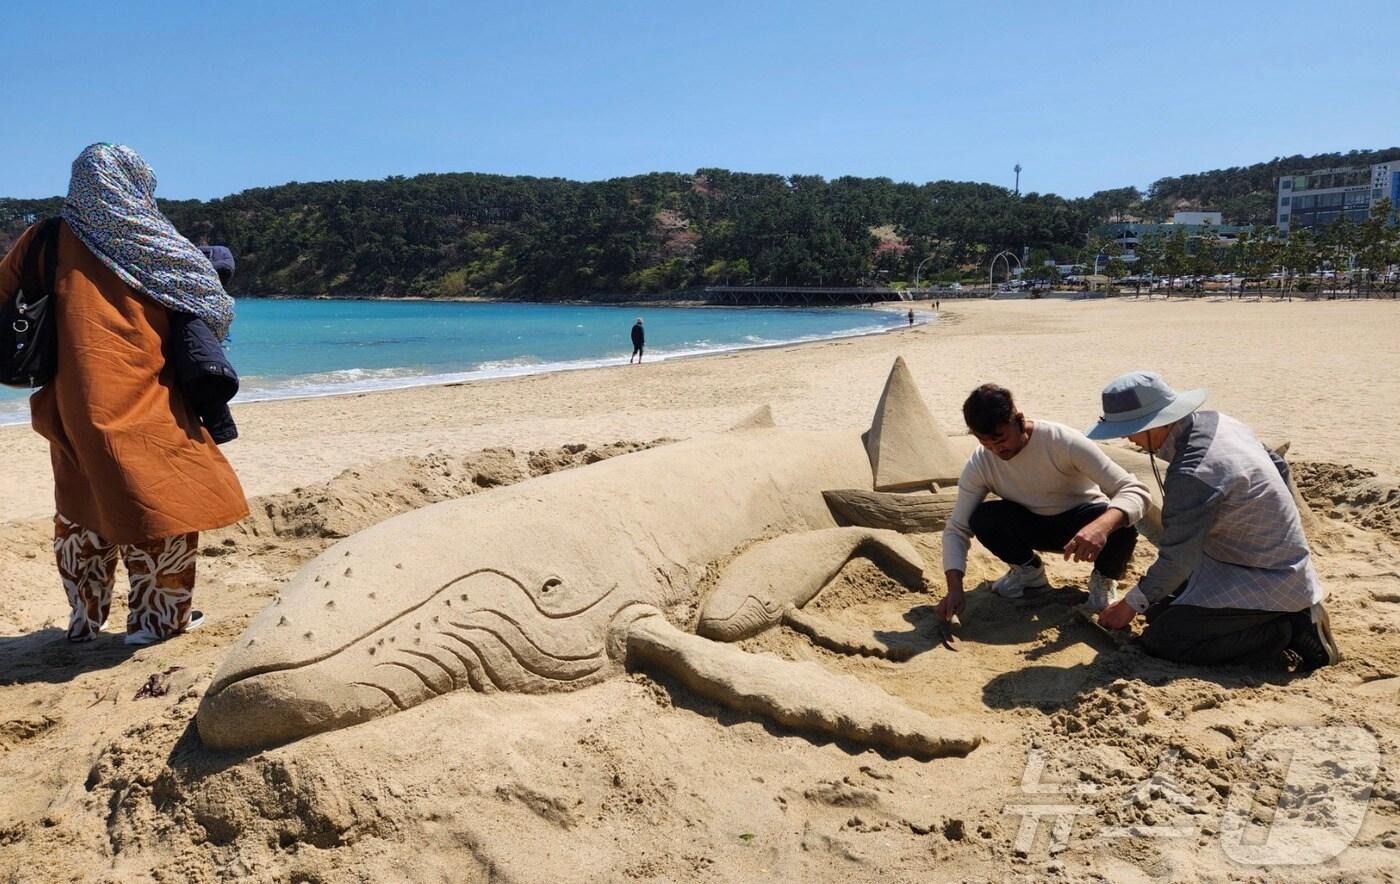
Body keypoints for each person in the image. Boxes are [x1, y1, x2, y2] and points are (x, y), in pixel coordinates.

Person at [0, 143, 248, 646]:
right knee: (164, 503)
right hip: (149, 392)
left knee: (81, 505)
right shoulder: (160, 242)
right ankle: (157, 623)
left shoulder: (44, 239)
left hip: (71, 401)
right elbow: (210, 298)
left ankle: (85, 623)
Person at [1088, 372, 1339, 671]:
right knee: (1157, 611)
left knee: (1163, 640)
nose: (1127, 438)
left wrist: (1128, 607)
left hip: (1267, 575)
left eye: (1131, 429)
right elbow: (1278, 464)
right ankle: (1279, 616)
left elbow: (1177, 559)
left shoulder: (1191, 472)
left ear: (1157, 423)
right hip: (1267, 555)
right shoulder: (1220, 421)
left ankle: (1289, 629)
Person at [936, 384, 1151, 622]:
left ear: (1018, 420)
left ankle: (1103, 579)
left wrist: (1101, 527)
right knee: (983, 517)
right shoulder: (981, 462)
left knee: (1122, 521)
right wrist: (954, 587)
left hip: (1082, 528)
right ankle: (1029, 573)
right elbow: (957, 528)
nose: (996, 449)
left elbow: (1135, 490)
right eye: (985, 443)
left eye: (1001, 439)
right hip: (1030, 526)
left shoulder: (1063, 441)